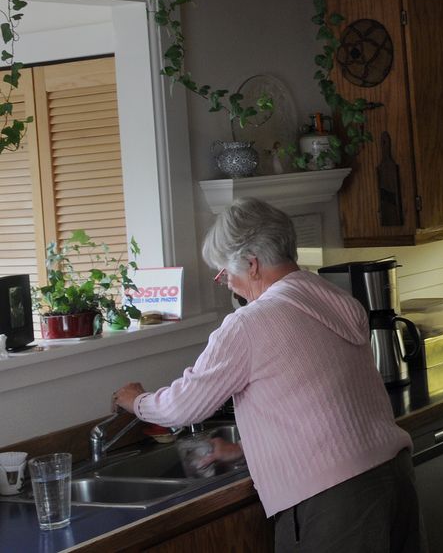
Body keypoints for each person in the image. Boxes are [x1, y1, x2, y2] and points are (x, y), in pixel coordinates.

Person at [113, 197, 425, 553]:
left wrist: (136, 401)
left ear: (252, 263)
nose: (228, 283)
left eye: (225, 273)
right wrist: (244, 450)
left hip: (333, 500)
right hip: (392, 477)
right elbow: (320, 405)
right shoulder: (335, 298)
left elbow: (182, 408)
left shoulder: (251, 323)